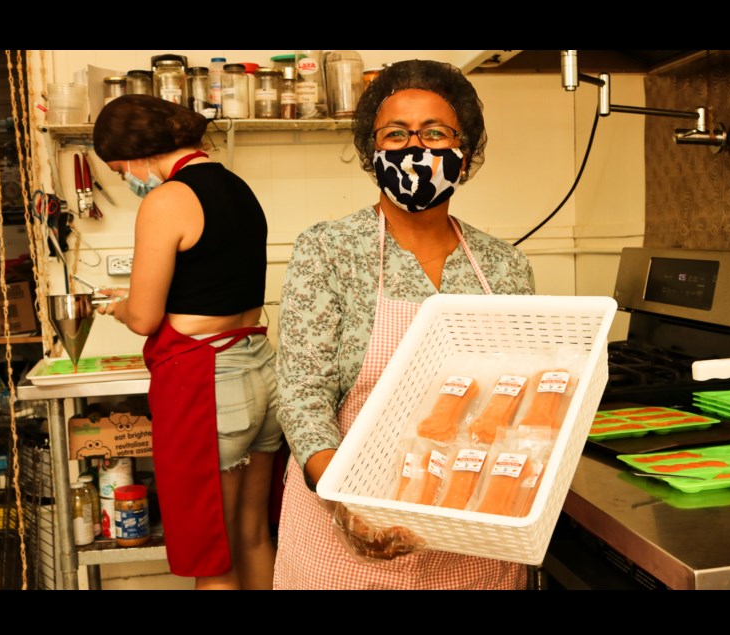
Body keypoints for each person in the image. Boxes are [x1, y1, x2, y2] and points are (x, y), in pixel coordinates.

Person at [274, 59, 535, 589]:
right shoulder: (328, 250)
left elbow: (520, 400)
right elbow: (303, 395)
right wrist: (347, 504)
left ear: (464, 153)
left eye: (435, 133)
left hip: (468, 527)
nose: (416, 148)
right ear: (373, 152)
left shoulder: (503, 265)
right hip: (345, 518)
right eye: (396, 133)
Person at [91, 94, 282, 590]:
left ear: (136, 153)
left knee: (210, 557)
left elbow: (145, 317)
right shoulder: (237, 187)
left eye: (119, 170)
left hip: (209, 386)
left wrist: (119, 306)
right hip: (260, 373)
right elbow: (210, 283)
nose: (126, 181)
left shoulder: (167, 199)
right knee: (253, 536)